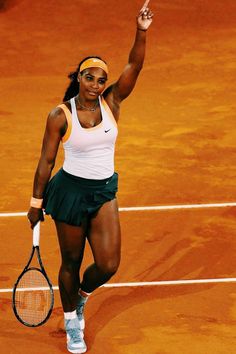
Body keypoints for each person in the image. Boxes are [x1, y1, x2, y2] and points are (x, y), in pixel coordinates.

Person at [27, 1, 153, 353]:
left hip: (102, 192)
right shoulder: (60, 115)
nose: (96, 84)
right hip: (68, 193)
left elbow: (135, 65)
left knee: (109, 263)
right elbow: (45, 162)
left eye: (101, 79)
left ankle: (80, 297)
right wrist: (36, 203)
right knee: (71, 262)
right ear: (78, 78)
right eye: (89, 77)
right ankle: (71, 322)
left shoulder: (112, 102)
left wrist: (141, 31)